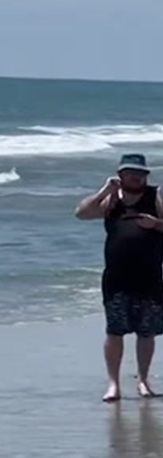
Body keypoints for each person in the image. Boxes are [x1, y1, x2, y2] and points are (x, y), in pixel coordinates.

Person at [76, 153, 163, 402]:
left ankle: (143, 381)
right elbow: (81, 213)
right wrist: (105, 190)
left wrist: (156, 224)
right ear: (120, 175)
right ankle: (113, 384)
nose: (135, 177)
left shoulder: (156, 196)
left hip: (149, 276)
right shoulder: (112, 199)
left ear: (146, 175)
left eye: (140, 173)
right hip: (116, 279)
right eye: (130, 173)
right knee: (114, 332)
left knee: (146, 332)